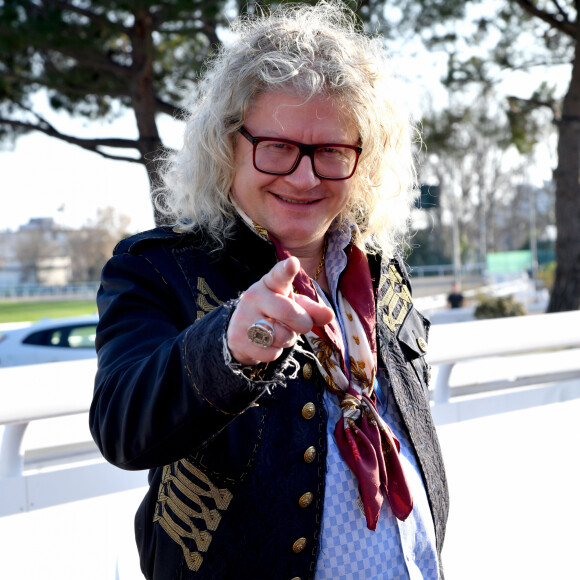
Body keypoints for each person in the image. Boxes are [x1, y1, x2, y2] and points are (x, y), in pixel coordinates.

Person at [90, 2, 449, 579]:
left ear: (363, 161)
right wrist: (227, 348)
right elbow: (120, 426)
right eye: (277, 147)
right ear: (226, 144)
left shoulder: (380, 271)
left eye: (331, 151)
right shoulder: (159, 269)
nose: (304, 177)